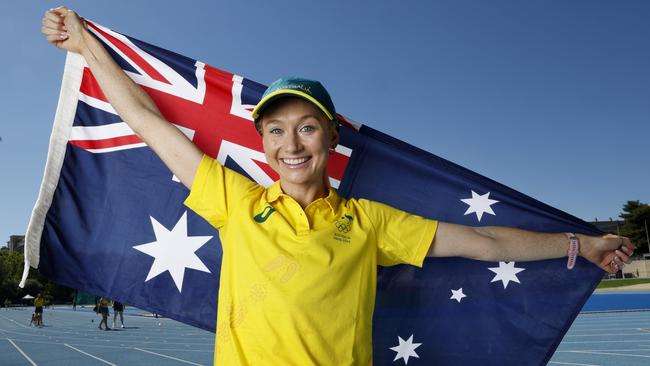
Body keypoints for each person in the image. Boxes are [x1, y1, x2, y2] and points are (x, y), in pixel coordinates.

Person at [42, 7, 635, 365]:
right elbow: (146, 122)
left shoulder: (371, 222)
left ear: (329, 137)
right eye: (276, 130)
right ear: (264, 142)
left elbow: (485, 244)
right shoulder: (235, 201)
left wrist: (579, 244)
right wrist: (85, 44)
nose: (291, 144)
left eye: (306, 128)